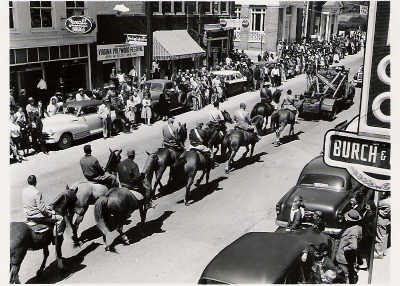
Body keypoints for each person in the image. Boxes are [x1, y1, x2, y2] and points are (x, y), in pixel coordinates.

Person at [22, 175, 64, 253]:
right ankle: (56, 238)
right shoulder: (37, 192)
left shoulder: (24, 191)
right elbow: (41, 209)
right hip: (37, 217)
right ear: (35, 182)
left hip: (28, 215)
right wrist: (49, 213)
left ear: (28, 182)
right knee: (60, 219)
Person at [335, 209, 363, 284]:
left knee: (347, 275)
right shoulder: (358, 227)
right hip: (350, 257)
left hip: (344, 258)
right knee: (348, 272)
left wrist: (344, 248)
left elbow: (354, 246)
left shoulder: (353, 232)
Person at [375, 193, 390, 259]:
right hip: (387, 221)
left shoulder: (385, 201)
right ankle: (383, 252)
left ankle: (379, 253)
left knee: (379, 237)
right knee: (384, 237)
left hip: (381, 220)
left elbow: (375, 205)